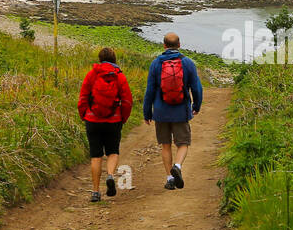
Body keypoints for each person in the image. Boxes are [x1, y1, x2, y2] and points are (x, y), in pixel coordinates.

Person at [143, 32, 202, 190]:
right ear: (179, 45)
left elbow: (149, 91)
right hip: (181, 111)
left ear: (164, 45)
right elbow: (196, 87)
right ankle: (177, 165)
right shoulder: (188, 63)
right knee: (183, 143)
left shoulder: (156, 63)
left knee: (166, 145)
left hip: (161, 112)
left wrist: (147, 113)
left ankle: (170, 178)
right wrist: (196, 105)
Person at [78, 47, 134, 202]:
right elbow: (127, 101)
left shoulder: (92, 75)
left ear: (100, 59)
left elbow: (83, 97)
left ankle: (95, 192)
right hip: (114, 121)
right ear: (114, 59)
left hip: (92, 120)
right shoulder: (119, 77)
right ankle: (110, 175)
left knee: (96, 156)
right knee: (113, 152)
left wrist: (84, 114)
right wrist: (123, 118)